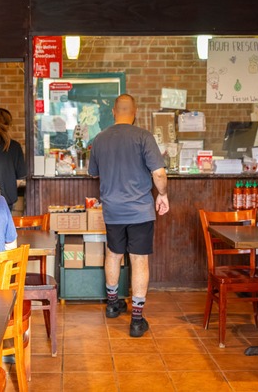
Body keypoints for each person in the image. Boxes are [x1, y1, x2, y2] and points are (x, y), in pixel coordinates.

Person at [88, 94, 169, 338]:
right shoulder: (143, 136)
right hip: (140, 210)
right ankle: (136, 319)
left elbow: (93, 173)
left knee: (113, 254)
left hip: (112, 210)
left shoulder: (100, 139)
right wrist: (162, 194)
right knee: (139, 260)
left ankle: (112, 304)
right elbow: (159, 173)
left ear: (114, 111)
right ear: (135, 112)